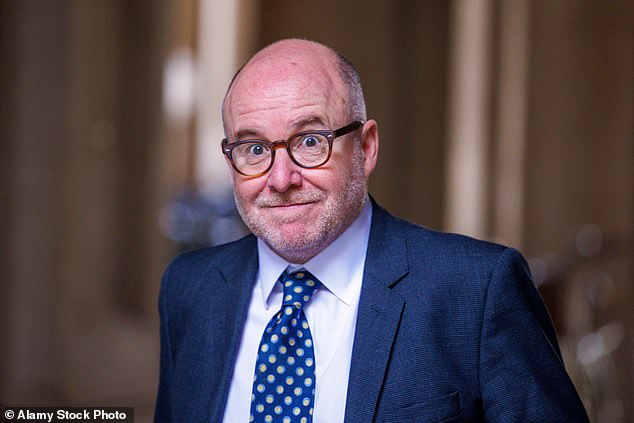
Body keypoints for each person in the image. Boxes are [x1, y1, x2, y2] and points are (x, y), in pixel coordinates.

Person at [154, 39, 588, 423]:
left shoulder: (477, 289)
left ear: (366, 147)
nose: (281, 178)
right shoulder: (189, 288)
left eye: (310, 141)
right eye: (254, 149)